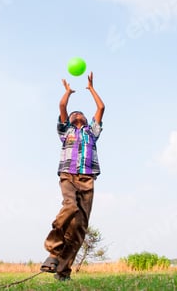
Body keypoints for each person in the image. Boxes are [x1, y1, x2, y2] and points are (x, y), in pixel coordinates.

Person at [40, 71, 105, 281]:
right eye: (74, 114)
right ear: (68, 120)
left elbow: (101, 108)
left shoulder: (91, 132)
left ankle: (63, 272)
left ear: (86, 120)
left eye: (81, 114)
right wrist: (67, 92)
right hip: (68, 175)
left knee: (79, 228)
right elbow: (62, 107)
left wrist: (91, 88)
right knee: (70, 207)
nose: (77, 114)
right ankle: (53, 251)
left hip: (87, 178)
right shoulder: (65, 131)